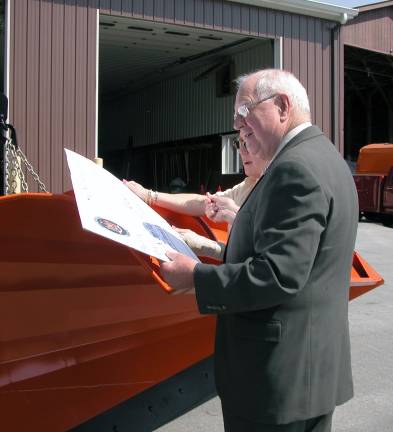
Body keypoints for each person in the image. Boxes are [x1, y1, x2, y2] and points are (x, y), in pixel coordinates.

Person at [160, 69, 358, 431]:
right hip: (307, 374)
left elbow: (277, 274)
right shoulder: (325, 158)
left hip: (276, 382)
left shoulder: (294, 169)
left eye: (244, 112)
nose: (238, 126)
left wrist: (195, 276)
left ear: (283, 106)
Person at [124, 137, 267, 259]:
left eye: (247, 142)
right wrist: (150, 196)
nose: (241, 151)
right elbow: (203, 203)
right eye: (239, 143)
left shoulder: (279, 191)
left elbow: (266, 260)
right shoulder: (247, 185)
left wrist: (207, 246)